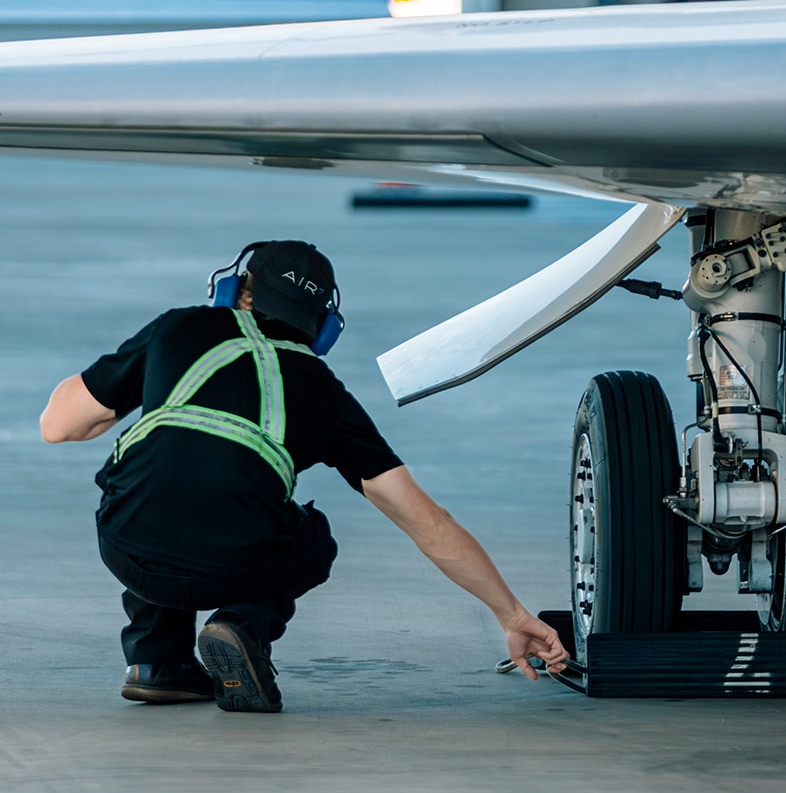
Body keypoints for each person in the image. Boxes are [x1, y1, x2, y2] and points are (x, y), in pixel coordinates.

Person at [40, 239, 568, 712]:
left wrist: (130, 388)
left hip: (128, 545)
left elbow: (57, 426)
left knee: (155, 480)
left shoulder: (179, 327)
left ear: (236, 291)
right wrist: (510, 613)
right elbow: (427, 521)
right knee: (312, 539)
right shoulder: (325, 393)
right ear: (324, 326)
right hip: (235, 562)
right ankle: (241, 625)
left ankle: (157, 665)